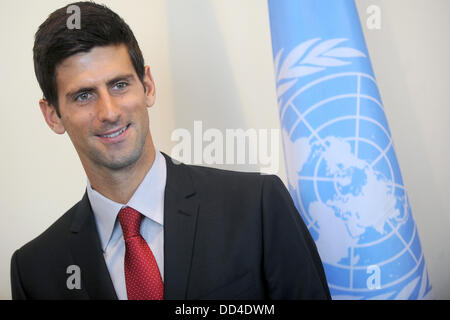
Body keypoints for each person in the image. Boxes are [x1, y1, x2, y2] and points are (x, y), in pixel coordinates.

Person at [10, 1, 331, 300]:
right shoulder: (35, 269)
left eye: (119, 85)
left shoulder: (257, 207)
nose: (108, 112)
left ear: (147, 86)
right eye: (83, 95)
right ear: (52, 115)